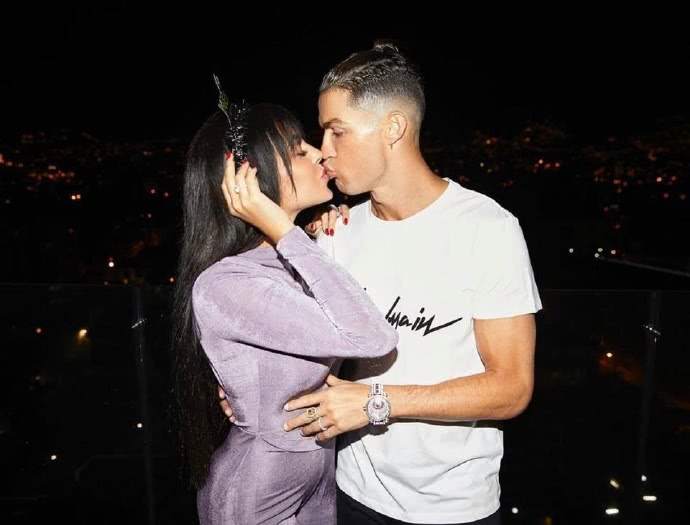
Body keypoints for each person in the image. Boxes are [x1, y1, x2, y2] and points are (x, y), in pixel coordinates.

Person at [220, 42, 543, 525]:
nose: (325, 150)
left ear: (393, 128)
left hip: (454, 508)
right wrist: (249, 386)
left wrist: (376, 403)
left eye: (337, 131)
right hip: (350, 493)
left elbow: (512, 388)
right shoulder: (336, 234)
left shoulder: (487, 229)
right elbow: (301, 350)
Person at [172, 81, 398, 524]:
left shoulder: (297, 255)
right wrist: (285, 231)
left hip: (316, 477)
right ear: (251, 182)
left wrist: (311, 238)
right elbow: (372, 337)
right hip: (255, 493)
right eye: (299, 151)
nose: (319, 154)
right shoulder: (226, 283)